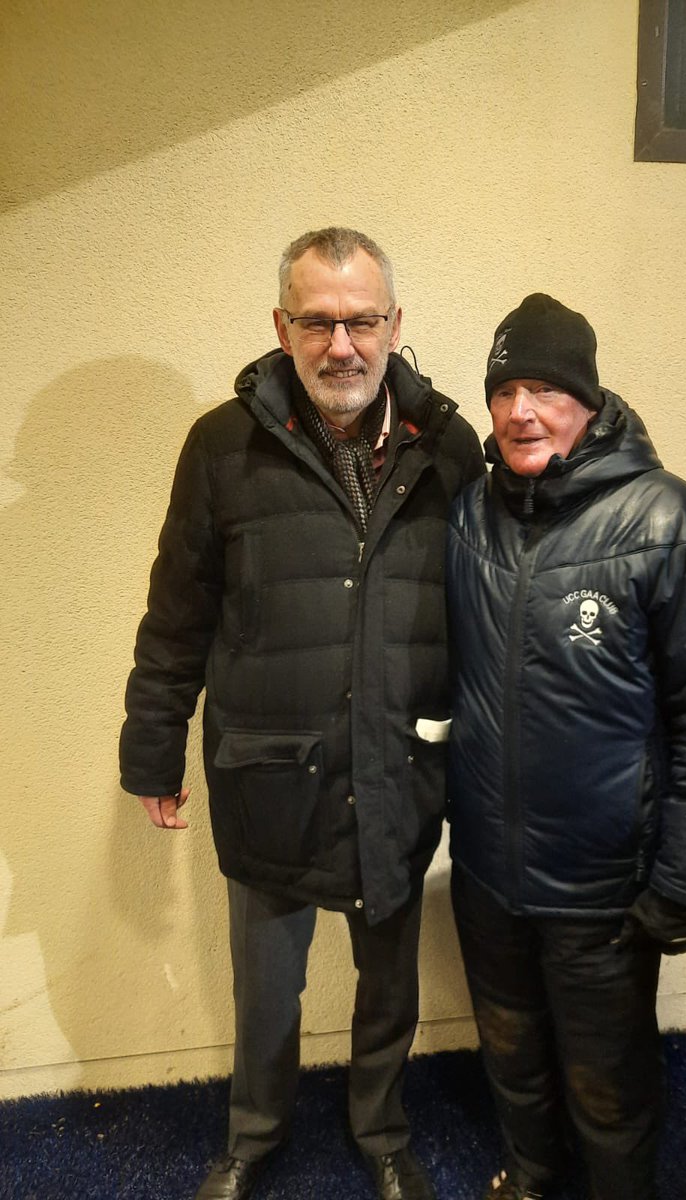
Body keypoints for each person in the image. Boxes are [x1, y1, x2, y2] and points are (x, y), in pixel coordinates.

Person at [120, 227, 484, 1200]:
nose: (342, 345)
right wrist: (152, 750)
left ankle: (382, 1133)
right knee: (266, 990)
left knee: (389, 988)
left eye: (362, 320)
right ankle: (252, 1136)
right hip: (267, 771)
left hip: (400, 769)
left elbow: (486, 607)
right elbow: (177, 613)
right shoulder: (220, 447)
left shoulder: (447, 445)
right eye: (317, 321)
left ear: (394, 324)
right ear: (281, 327)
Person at [446, 294, 686, 1200]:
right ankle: (534, 1178)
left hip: (604, 892)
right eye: (505, 390)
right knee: (510, 1056)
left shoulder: (673, 524)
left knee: (607, 1086)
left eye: (544, 388)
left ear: (589, 401)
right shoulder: (470, 516)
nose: (520, 411)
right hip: (488, 877)